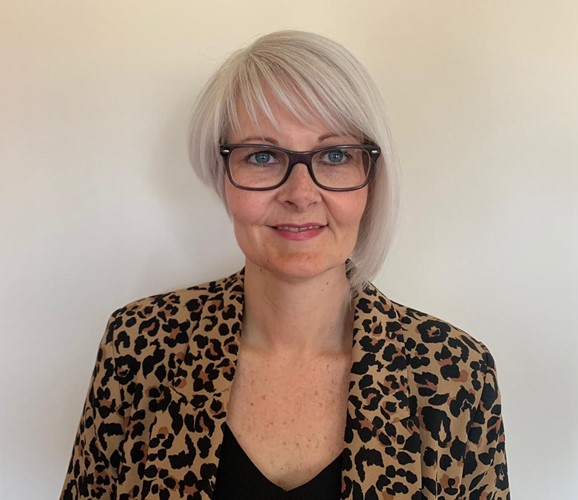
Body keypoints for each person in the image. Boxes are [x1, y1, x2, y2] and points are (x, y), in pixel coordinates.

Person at [61, 30, 509, 499]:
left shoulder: (451, 373)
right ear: (224, 178)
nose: (300, 193)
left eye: (335, 155)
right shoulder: (140, 347)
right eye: (263, 155)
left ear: (370, 180)